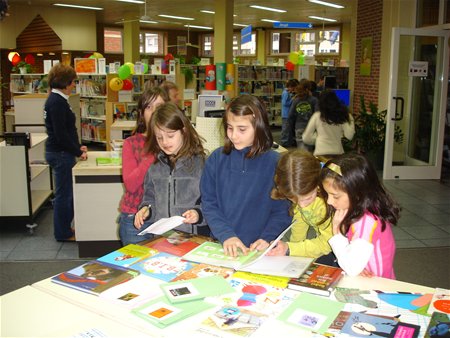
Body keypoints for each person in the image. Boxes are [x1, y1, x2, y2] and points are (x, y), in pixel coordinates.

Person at [200, 94, 292, 257]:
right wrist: (226, 235)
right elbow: (209, 203)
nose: (234, 135)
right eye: (229, 127)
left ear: (259, 127)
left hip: (259, 249)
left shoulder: (276, 163)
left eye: (242, 129)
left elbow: (282, 211)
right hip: (222, 244)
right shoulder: (216, 159)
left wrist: (267, 238)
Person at [320, 153, 400, 278]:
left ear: (357, 193)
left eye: (335, 196)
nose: (329, 201)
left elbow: (351, 268)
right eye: (327, 194)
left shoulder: (366, 222)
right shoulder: (362, 208)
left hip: (375, 288)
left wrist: (336, 233)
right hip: (364, 279)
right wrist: (355, 264)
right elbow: (353, 260)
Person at [134, 102, 208, 235]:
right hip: (164, 237)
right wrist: (146, 210)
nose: (165, 142)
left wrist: (198, 214)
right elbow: (150, 198)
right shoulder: (155, 167)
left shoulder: (202, 164)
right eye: (159, 138)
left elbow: (213, 203)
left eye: (170, 136)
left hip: (194, 237)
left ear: (184, 131)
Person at [118, 87, 168, 245]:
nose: (154, 112)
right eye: (148, 107)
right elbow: (131, 185)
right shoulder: (131, 143)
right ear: (142, 113)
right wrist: (153, 149)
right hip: (136, 220)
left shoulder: (175, 141)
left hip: (166, 220)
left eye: (159, 107)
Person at [44, 63, 87, 242]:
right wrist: (76, 150)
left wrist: (77, 147)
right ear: (65, 83)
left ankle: (65, 229)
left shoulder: (58, 100)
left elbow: (66, 130)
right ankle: (63, 233)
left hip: (62, 152)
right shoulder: (57, 102)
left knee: (66, 193)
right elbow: (61, 134)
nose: (73, 86)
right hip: (61, 154)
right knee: (64, 195)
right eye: (72, 83)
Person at [267, 150, 334, 264]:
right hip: (328, 243)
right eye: (293, 200)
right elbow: (299, 223)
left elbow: (328, 244)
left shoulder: (326, 203)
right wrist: (291, 248)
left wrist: (290, 249)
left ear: (318, 184)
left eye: (307, 198)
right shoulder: (303, 193)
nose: (302, 205)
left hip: (347, 249)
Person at [302, 89, 355, 157]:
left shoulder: (317, 116)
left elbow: (306, 138)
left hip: (320, 154)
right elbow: (349, 136)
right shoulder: (343, 115)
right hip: (337, 154)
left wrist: (317, 138)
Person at [287, 79, 319, 152]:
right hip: (310, 128)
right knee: (309, 150)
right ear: (309, 88)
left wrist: (291, 129)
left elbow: (290, 116)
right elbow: (317, 114)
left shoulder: (296, 100)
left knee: (301, 151)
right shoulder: (314, 100)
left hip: (299, 127)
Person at [280, 79, 299, 147]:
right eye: (293, 88)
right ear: (290, 86)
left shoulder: (288, 92)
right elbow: (285, 103)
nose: (293, 90)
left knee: (288, 129)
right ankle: (284, 143)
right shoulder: (285, 93)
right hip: (286, 114)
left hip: (288, 114)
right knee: (286, 129)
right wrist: (293, 99)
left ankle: (288, 142)